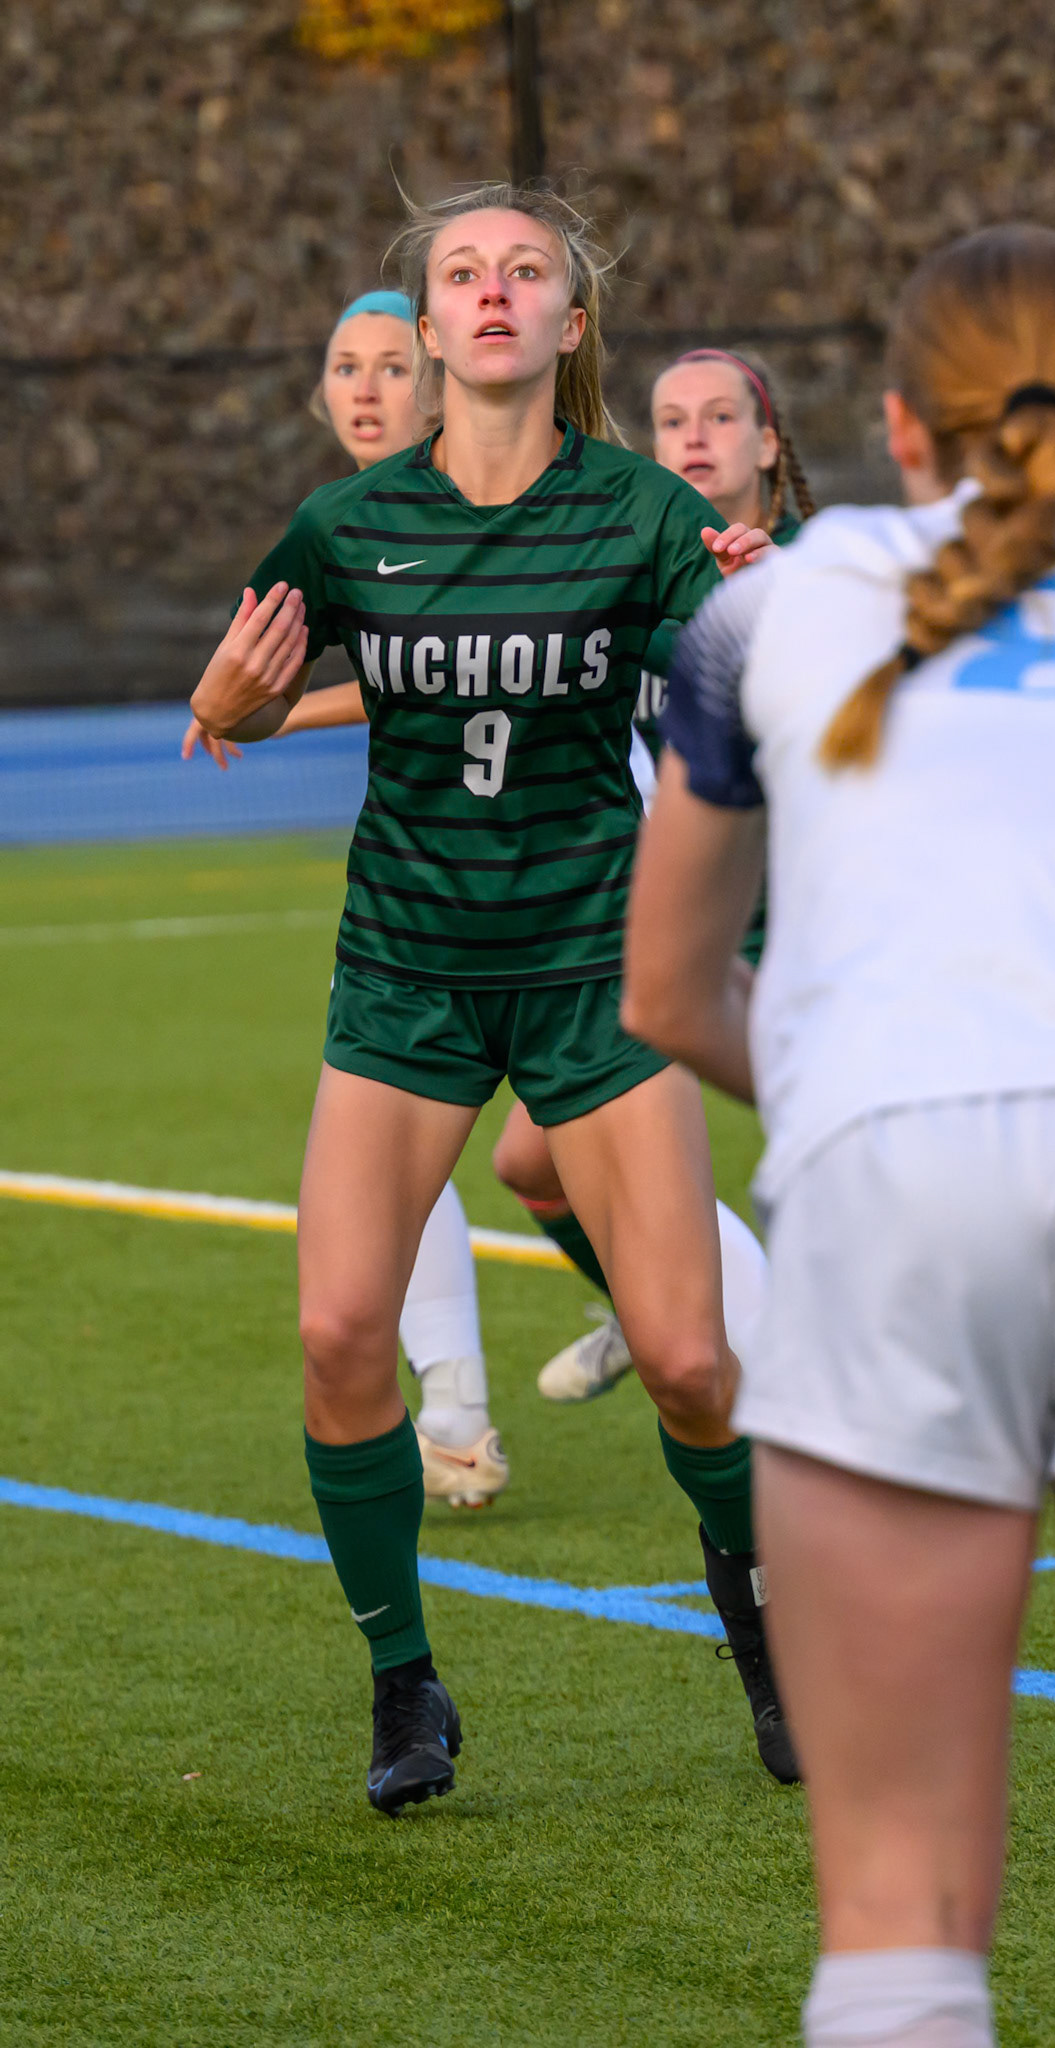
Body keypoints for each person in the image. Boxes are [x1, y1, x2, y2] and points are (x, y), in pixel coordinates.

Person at [188, 181, 795, 1815]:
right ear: (429, 327)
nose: (493, 291)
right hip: (407, 975)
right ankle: (403, 1683)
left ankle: (761, 1628)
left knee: (688, 1361)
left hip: (591, 976)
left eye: (526, 270)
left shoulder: (638, 512)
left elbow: (743, 678)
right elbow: (232, 692)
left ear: (567, 323)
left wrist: (758, 607)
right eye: (461, 272)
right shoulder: (346, 525)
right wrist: (226, 696)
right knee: (336, 1335)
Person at [624, 221, 1055, 2046]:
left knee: (898, 1910)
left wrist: (861, 1086)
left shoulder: (770, 603)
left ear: (896, 427)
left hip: (892, 1184)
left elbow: (666, 990)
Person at [183, 290, 508, 1511]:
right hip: (440, 892)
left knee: (585, 1171)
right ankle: (457, 1410)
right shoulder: (353, 522)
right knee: (408, 1151)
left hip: (565, 875)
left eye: (388, 363)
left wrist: (270, 715)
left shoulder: (491, 494)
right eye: (342, 365)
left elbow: (448, 666)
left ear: (438, 375)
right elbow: (393, 671)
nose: (365, 387)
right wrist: (245, 701)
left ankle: (772, 1376)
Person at [498, 342, 815, 1405]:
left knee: (847, 1165)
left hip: (814, 927)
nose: (692, 436)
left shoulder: (824, 572)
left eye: (720, 416)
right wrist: (271, 711)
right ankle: (649, 1308)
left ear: (768, 446)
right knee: (529, 1164)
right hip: (685, 926)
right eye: (672, 419)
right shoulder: (633, 568)